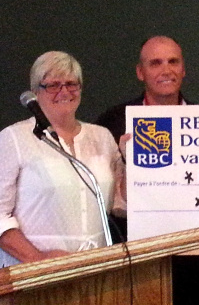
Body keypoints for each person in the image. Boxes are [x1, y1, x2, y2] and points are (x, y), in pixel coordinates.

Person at [0, 51, 124, 267]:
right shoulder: (14, 138)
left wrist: (134, 162)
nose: (64, 91)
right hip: (33, 275)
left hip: (97, 270)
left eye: (71, 83)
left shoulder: (101, 136)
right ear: (35, 92)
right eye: (53, 85)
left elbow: (121, 204)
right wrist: (39, 260)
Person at [96, 36, 193, 241]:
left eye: (173, 62)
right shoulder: (112, 123)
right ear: (141, 72)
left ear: (183, 69)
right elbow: (105, 201)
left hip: (194, 244)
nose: (166, 70)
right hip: (135, 245)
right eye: (156, 63)